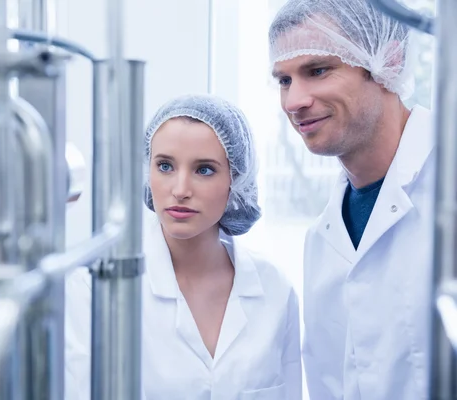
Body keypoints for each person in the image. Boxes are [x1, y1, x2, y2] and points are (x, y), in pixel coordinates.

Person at [65, 94, 302, 399]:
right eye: (165, 166)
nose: (180, 190)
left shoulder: (275, 289)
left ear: (237, 179)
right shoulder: (93, 286)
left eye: (204, 169)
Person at [268, 1, 434, 399]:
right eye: (284, 80)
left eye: (318, 70)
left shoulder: (446, 188)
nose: (294, 101)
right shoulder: (323, 240)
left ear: (386, 62)